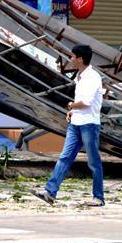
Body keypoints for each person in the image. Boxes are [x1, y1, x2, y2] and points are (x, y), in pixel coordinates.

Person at [34, 44, 105, 207]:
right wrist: (72, 111)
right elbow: (82, 101)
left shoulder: (93, 77)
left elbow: (86, 102)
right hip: (76, 123)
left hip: (89, 124)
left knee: (93, 162)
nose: (71, 59)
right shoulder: (80, 76)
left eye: (73, 56)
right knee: (65, 157)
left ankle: (99, 197)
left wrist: (71, 105)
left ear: (80, 59)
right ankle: (50, 192)